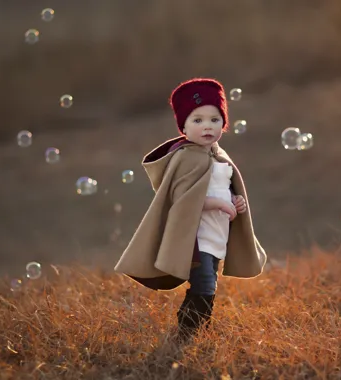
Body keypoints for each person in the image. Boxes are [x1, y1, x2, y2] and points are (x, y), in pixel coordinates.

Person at [114, 78, 267, 341]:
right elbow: (182, 200)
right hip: (194, 239)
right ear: (183, 126)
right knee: (204, 283)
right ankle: (190, 331)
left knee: (209, 283)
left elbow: (224, 189)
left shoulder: (220, 156)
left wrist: (236, 201)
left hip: (216, 234)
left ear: (224, 124)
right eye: (198, 120)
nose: (207, 126)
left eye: (215, 119)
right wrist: (219, 204)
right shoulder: (185, 158)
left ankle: (192, 329)